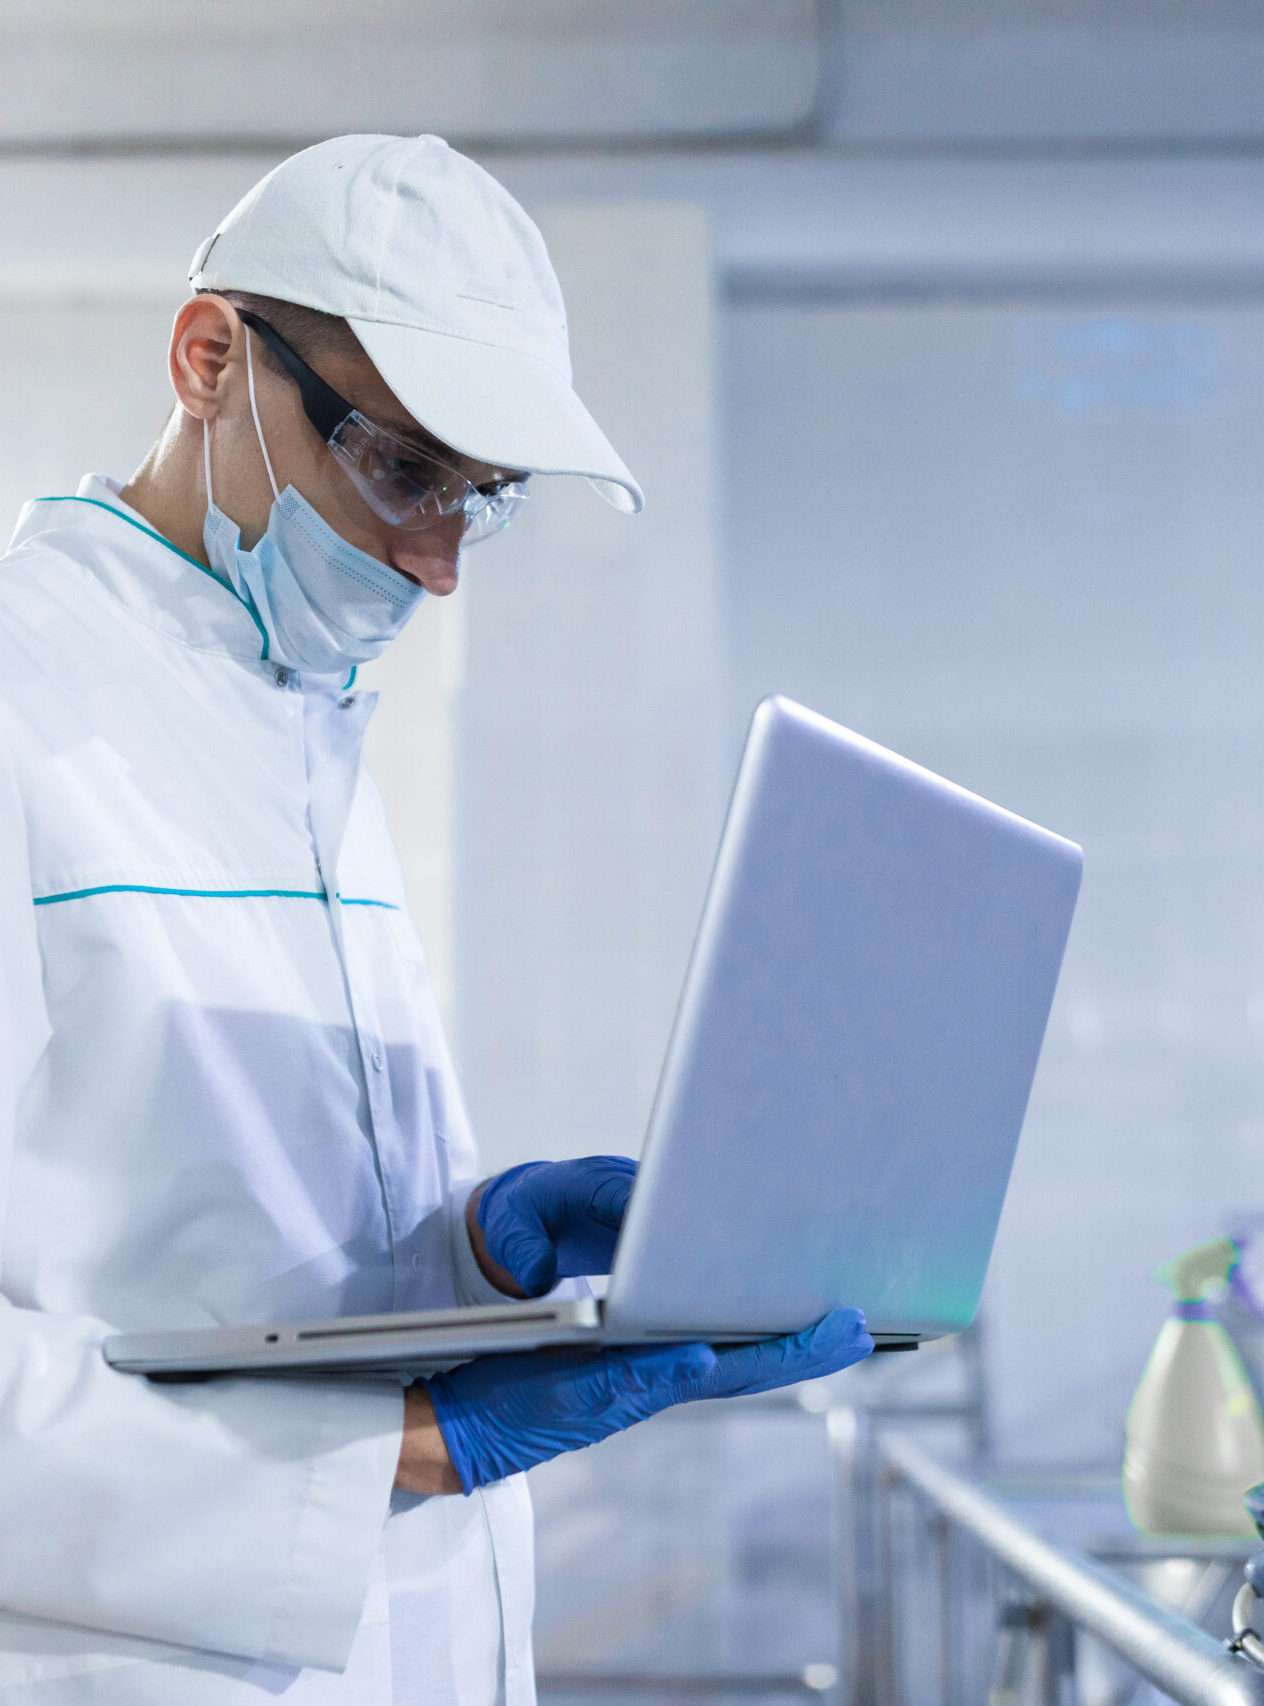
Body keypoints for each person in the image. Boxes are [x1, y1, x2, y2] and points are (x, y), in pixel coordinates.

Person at [0, 133, 872, 1705]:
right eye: (402, 471)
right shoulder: (25, 696)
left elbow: (200, 1249)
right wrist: (402, 1448)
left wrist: (465, 1259)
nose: (438, 562)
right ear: (210, 360)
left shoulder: (291, 712)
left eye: (481, 499)